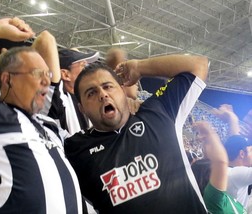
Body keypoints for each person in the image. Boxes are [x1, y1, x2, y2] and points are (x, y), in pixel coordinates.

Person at [0, 18, 84, 213]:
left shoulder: (50, 125)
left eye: (47, 74)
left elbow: (47, 40)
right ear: (8, 79)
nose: (46, 81)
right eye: (38, 73)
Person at [64, 54, 209, 213]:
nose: (103, 94)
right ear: (82, 109)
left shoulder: (160, 112)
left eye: (108, 86)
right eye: (91, 93)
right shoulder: (74, 150)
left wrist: (139, 67)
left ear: (122, 90)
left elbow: (199, 64)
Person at [191, 121, 246, 213]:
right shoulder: (214, 202)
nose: (225, 174)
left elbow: (214, 160)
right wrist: (209, 132)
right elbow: (220, 162)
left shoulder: (218, 200)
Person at [42, 48, 99, 134]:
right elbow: (46, 40)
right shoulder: (57, 100)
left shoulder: (85, 99)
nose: (88, 70)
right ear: (65, 74)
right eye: (83, 66)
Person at [213, 104, 252, 209]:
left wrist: (232, 118)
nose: (245, 119)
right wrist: (232, 118)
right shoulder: (237, 174)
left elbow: (235, 141)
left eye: (249, 117)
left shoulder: (226, 169)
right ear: (241, 154)